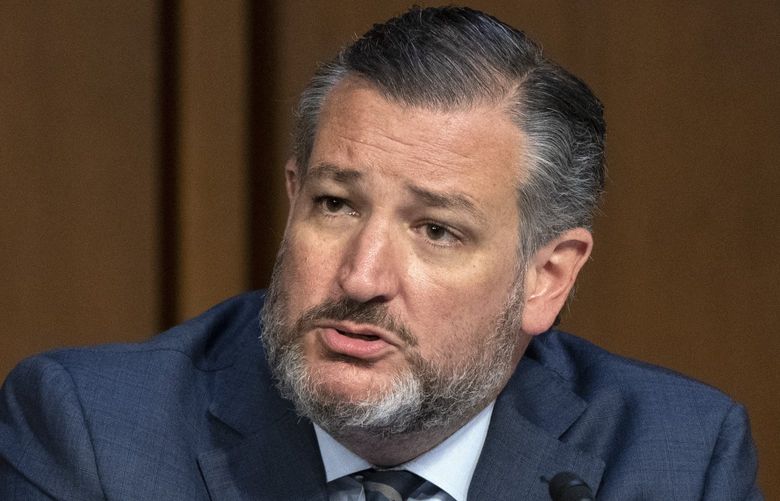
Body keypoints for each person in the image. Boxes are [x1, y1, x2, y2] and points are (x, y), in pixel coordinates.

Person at [0, 6, 761, 500]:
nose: (361, 277)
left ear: (545, 276)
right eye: (335, 204)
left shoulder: (676, 459)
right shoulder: (93, 435)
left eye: (436, 230)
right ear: (293, 198)